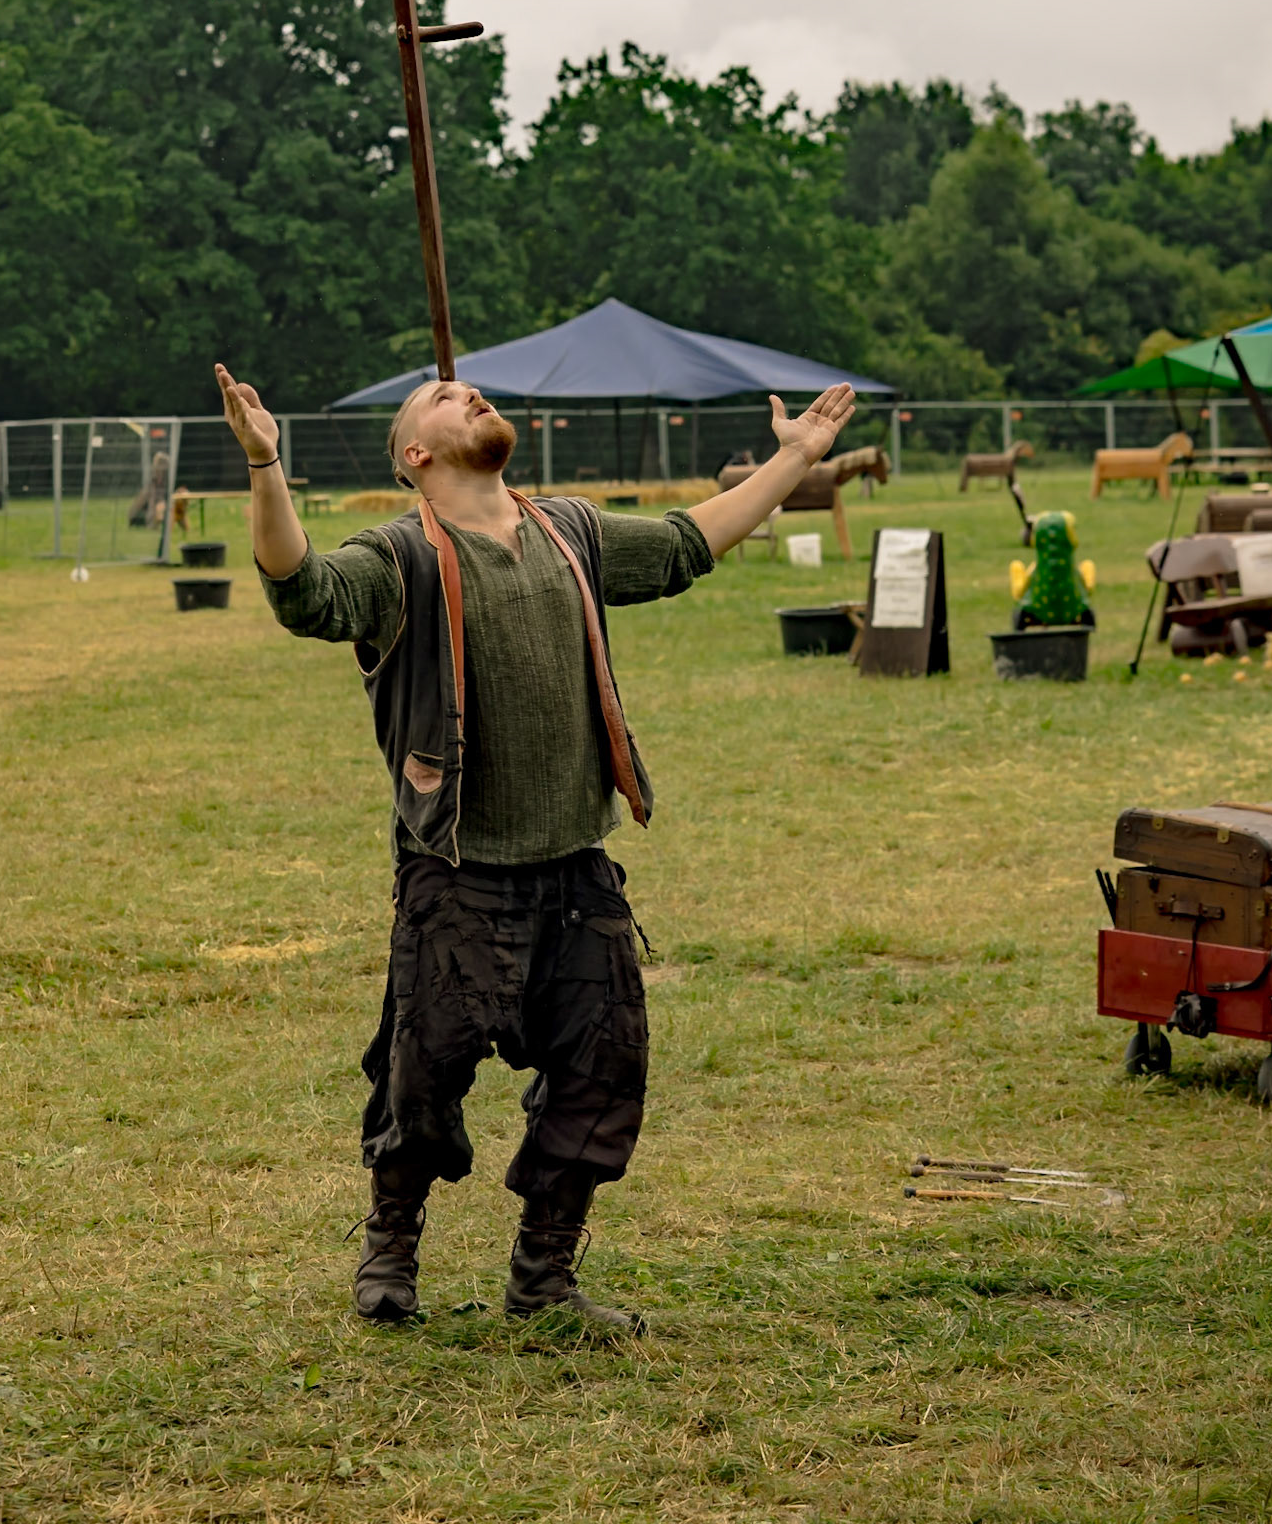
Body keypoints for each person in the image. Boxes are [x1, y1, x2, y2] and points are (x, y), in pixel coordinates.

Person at [214, 361, 855, 1331]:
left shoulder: (573, 530)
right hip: (459, 873)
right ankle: (391, 1247)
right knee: (420, 1073)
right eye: (443, 397)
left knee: (606, 1068)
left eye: (475, 390)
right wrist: (266, 465)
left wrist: (795, 456)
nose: (471, 393)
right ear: (415, 454)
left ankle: (544, 1280)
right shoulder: (400, 559)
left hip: (575, 867)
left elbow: (690, 541)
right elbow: (303, 591)